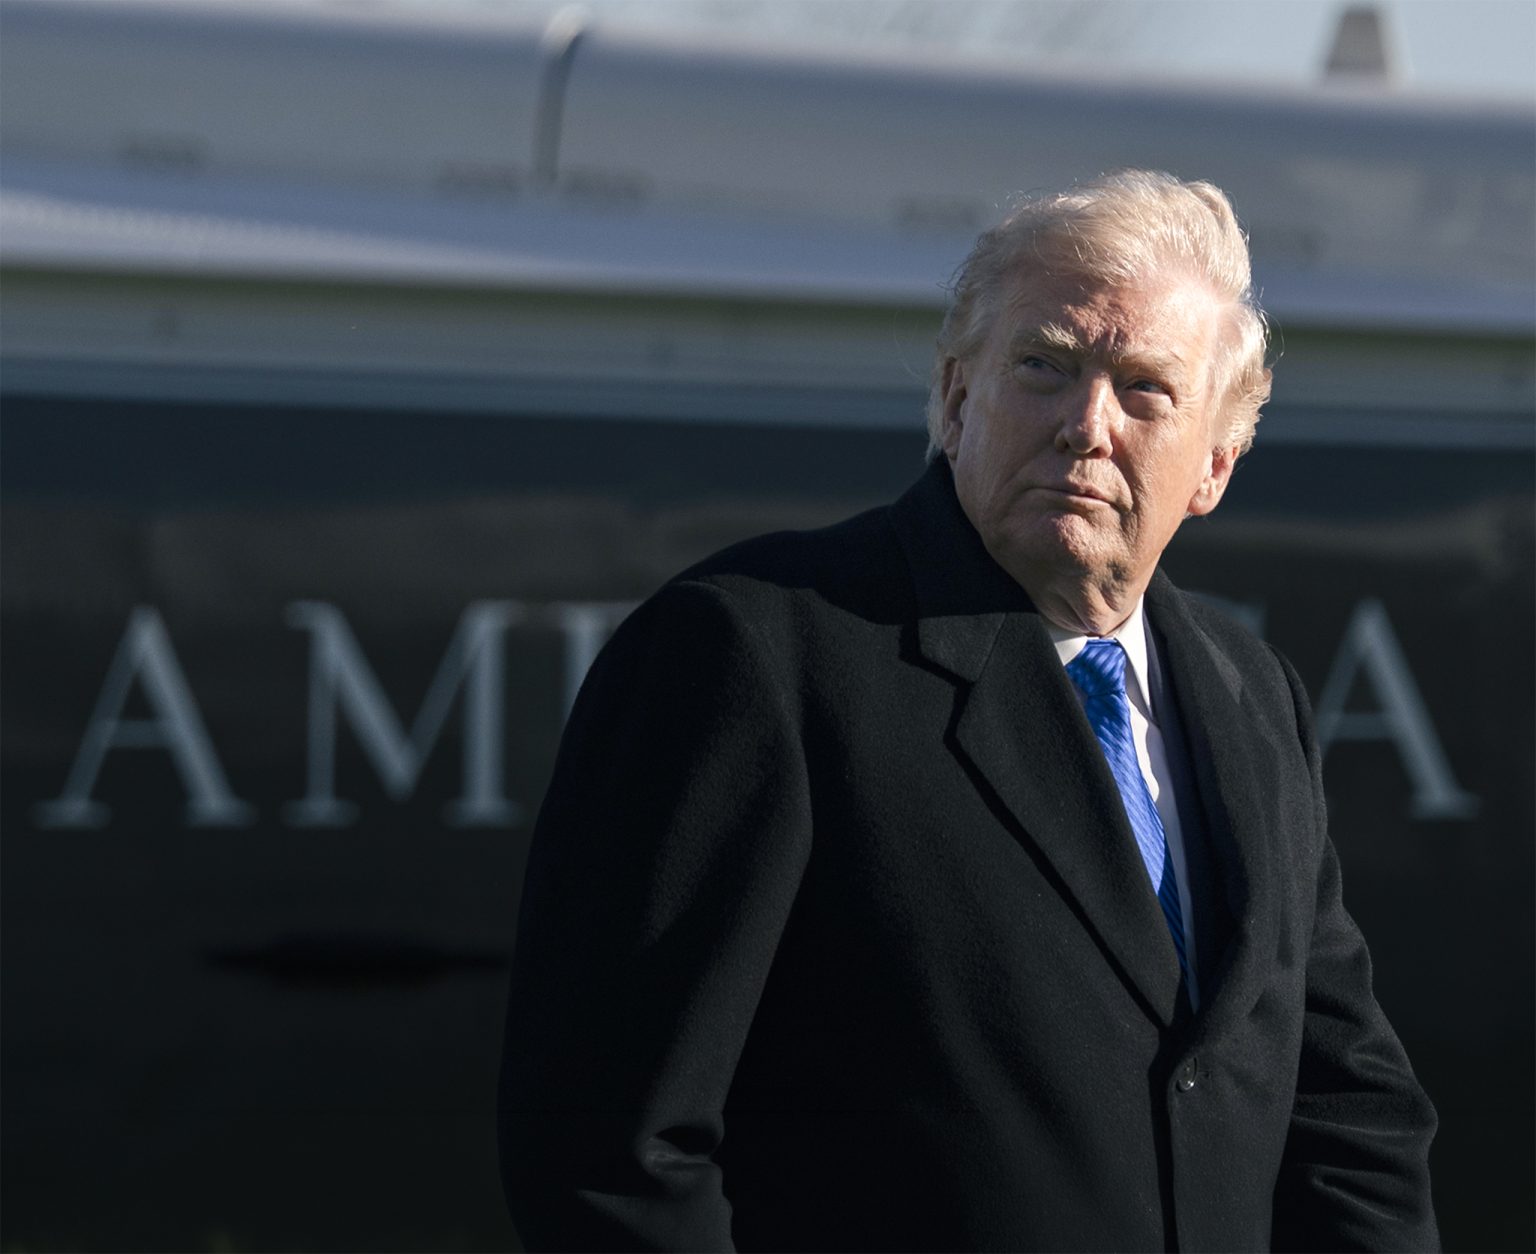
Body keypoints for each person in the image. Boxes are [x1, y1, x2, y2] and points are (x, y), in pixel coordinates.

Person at [497, 170, 1438, 1252]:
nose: (1088, 425)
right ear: (952, 398)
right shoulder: (751, 652)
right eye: (1044, 365)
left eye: (1145, 390)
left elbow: (1347, 1114)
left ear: (1216, 463)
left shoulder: (1253, 698)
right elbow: (613, 1150)